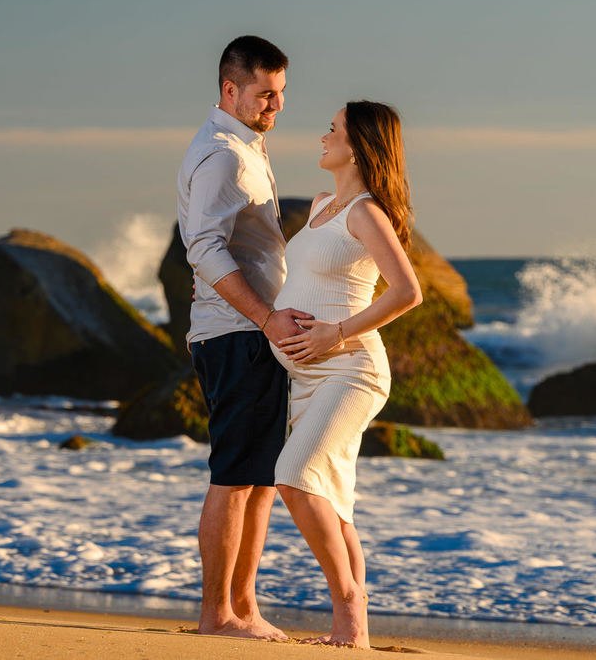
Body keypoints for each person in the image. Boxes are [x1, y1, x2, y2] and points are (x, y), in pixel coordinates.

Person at [271, 100, 423, 648]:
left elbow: (408, 292)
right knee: (333, 500)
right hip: (308, 378)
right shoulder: (319, 206)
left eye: (332, 129)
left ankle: (350, 600)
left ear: (357, 144)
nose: (323, 136)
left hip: (351, 370)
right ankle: (351, 632)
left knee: (291, 477)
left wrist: (335, 333)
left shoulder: (365, 212)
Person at [177, 35, 312, 640]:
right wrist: (265, 318)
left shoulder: (245, 147)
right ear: (230, 89)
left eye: (281, 94)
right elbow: (202, 248)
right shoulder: (225, 155)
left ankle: (243, 608)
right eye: (264, 94)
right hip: (237, 335)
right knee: (235, 476)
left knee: (258, 478)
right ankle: (216, 616)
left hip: (249, 335)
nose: (275, 106)